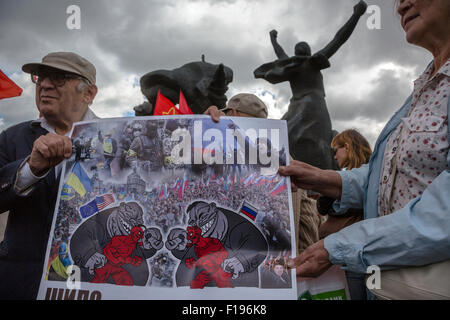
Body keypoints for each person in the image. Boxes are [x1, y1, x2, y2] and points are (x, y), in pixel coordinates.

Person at [279, 0, 450, 298]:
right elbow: (389, 175)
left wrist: (341, 246)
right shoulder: (425, 85)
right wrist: (326, 179)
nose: (401, 6)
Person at [0, 51, 98, 299]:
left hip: (92, 283)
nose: (44, 84)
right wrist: (31, 169)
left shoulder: (117, 139)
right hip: (20, 285)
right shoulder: (13, 137)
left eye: (59, 78)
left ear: (89, 93)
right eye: (40, 77)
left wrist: (205, 129)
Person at [205, 93, 321, 255]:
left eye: (228, 114)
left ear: (234, 113)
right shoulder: (290, 162)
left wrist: (206, 125)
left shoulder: (234, 156)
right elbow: (307, 227)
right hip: (277, 266)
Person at [316, 129, 372, 300]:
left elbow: (323, 208)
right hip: (354, 256)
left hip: (350, 259)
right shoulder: (375, 172)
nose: (334, 157)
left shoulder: (358, 178)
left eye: (336, 151)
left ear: (346, 147)